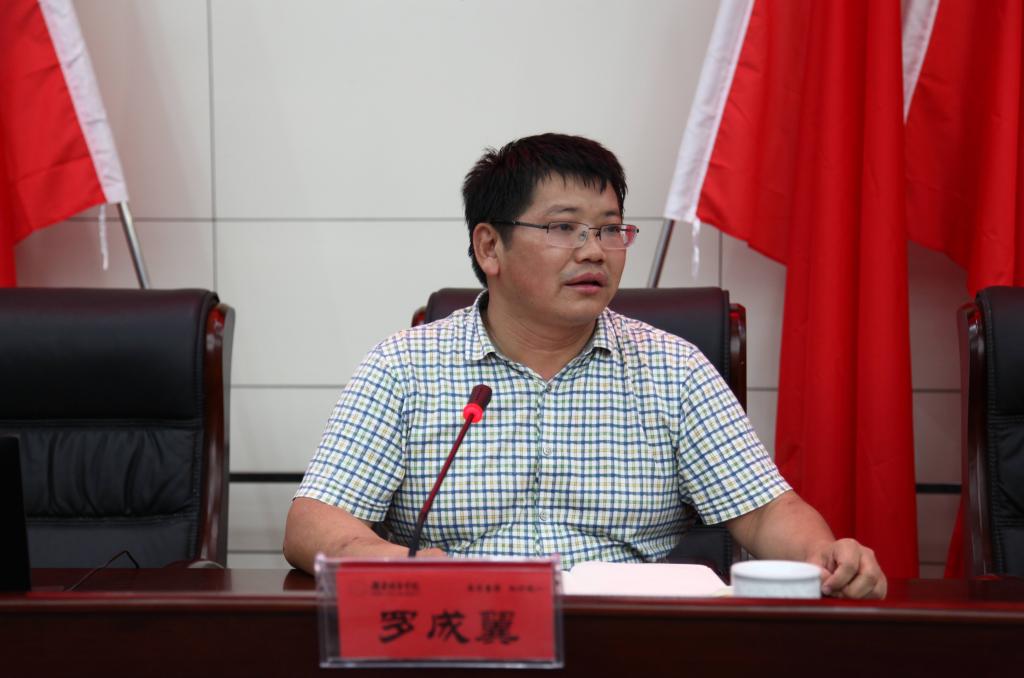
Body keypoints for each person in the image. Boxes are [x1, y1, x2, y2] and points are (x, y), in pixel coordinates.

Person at [284, 133, 887, 599]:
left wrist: (825, 558)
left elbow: (764, 509)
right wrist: (404, 565)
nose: (594, 250)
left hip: (625, 642)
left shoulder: (673, 368)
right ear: (489, 247)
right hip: (462, 631)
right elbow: (315, 522)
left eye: (609, 229)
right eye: (563, 228)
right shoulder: (406, 366)